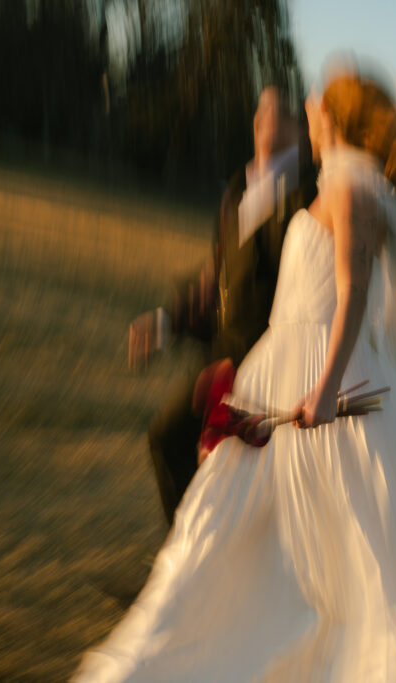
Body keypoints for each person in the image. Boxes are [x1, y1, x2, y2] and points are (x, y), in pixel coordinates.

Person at [78, 65, 396, 681]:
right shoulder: (337, 182)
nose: (308, 103)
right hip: (278, 367)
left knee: (335, 536)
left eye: (319, 99)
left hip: (313, 373)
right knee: (232, 520)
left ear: (335, 117)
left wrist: (327, 389)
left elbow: (354, 291)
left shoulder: (352, 189)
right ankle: (207, 637)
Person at [129, 86, 317, 524]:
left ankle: (197, 580)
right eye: (261, 106)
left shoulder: (306, 197)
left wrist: (239, 368)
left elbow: (301, 296)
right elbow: (217, 277)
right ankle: (185, 576)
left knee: (238, 484)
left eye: (280, 109)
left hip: (268, 365)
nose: (265, 114)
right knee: (169, 442)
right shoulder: (237, 187)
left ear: (300, 129)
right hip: (220, 356)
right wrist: (166, 322)